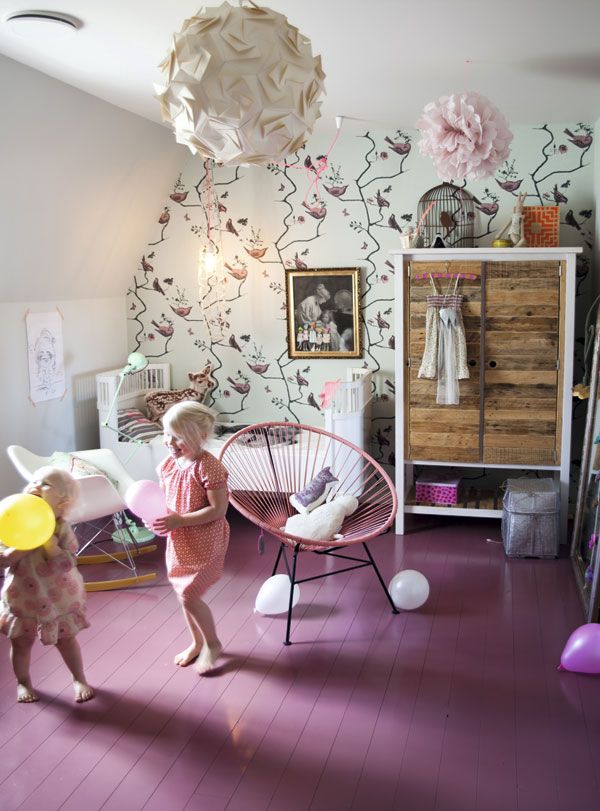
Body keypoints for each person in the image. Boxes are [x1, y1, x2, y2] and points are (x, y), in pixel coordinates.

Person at [0, 467, 94, 704]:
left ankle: (78, 678)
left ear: (62, 502)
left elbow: (69, 562)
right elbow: (3, 559)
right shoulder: (15, 519)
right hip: (23, 598)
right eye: (34, 480)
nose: (37, 485)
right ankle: (23, 681)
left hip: (58, 598)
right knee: (20, 643)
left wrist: (51, 547)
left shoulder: (61, 528)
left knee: (66, 641)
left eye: (46, 484)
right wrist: (26, 543)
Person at [151, 401, 230, 675]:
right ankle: (196, 642)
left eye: (179, 436)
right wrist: (155, 516)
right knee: (181, 591)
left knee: (189, 594)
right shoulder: (168, 465)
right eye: (166, 433)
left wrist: (180, 520)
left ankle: (212, 643)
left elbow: (219, 510)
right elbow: (162, 500)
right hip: (179, 539)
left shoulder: (209, 467)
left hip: (205, 538)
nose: (170, 442)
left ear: (202, 437)